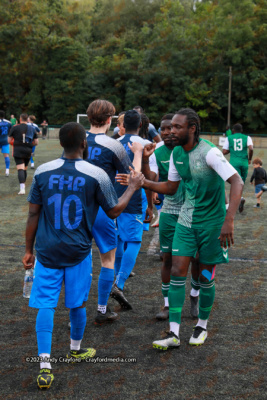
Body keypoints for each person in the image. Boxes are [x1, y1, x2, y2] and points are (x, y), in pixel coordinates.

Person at [22, 122, 144, 389]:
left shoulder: (42, 171)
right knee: (76, 303)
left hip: (46, 250)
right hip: (78, 251)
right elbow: (113, 211)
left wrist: (28, 250)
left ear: (60, 143)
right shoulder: (96, 174)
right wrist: (133, 186)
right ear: (83, 144)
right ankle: (75, 350)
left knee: (45, 304)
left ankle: (44, 365)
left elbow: (33, 213)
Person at [133, 108, 243, 348]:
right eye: (171, 127)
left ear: (192, 128)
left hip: (212, 225)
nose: (172, 131)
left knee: (205, 276)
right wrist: (144, 183)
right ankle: (173, 334)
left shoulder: (210, 153)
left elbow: (237, 180)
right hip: (185, 222)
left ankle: (201, 326)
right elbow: (171, 188)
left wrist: (229, 220)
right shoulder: (176, 155)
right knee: (176, 271)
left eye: (177, 127)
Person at [86, 100, 144, 324]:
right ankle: (102, 309)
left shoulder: (77, 140)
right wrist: (138, 153)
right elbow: (134, 177)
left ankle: (77, 312)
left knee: (81, 262)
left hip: (78, 208)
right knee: (107, 260)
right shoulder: (113, 145)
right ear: (110, 120)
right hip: (102, 209)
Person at [142, 114, 200, 320]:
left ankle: (194, 296)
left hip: (193, 212)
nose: (167, 132)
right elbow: (151, 178)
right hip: (170, 211)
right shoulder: (157, 151)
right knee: (167, 259)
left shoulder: (192, 149)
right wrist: (145, 161)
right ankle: (167, 304)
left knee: (195, 258)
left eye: (171, 128)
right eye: (163, 129)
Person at [111, 110, 153, 310]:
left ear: (122, 125)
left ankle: (115, 278)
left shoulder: (113, 143)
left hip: (112, 197)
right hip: (134, 198)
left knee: (118, 238)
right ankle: (119, 283)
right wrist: (152, 203)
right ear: (141, 125)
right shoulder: (144, 144)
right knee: (134, 240)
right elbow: (149, 175)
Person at [222, 123, 253, 213]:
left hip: (234, 163)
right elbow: (251, 148)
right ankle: (240, 199)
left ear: (233, 130)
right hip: (244, 162)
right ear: (242, 130)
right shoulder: (247, 137)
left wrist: (231, 150)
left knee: (235, 183)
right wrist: (250, 159)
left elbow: (224, 151)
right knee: (241, 183)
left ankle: (236, 202)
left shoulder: (229, 138)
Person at [8, 113, 38, 194]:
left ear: (20, 119)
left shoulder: (15, 127)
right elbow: (36, 142)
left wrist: (15, 143)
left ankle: (22, 188)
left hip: (18, 150)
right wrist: (29, 144)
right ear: (27, 119)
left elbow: (9, 140)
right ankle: (23, 187)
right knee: (24, 168)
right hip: (28, 150)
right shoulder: (32, 128)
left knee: (20, 169)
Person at [0, 110, 12, 176]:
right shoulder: (8, 122)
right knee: (6, 156)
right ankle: (7, 171)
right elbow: (11, 131)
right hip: (5, 140)